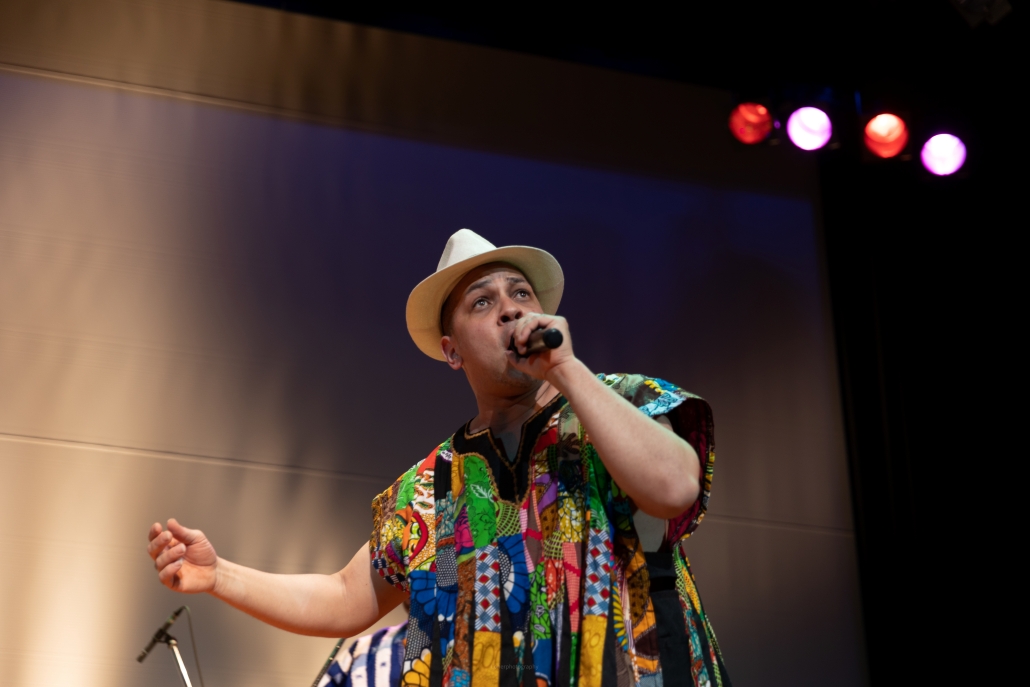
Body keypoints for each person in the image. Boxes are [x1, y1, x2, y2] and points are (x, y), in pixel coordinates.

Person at [148, 229, 730, 687]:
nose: (510, 310)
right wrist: (220, 576)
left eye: (520, 294)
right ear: (452, 351)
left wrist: (566, 370)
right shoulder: (430, 486)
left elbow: (675, 487)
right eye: (483, 302)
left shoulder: (619, 401)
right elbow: (346, 596)